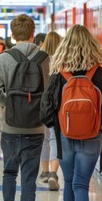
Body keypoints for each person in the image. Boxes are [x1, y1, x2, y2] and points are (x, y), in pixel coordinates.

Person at [40, 24, 102, 201]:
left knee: (70, 182)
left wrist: (56, 124)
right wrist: (100, 125)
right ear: (91, 45)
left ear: (65, 46)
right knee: (81, 185)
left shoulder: (58, 73)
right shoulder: (100, 73)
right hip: (92, 136)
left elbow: (46, 108)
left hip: (64, 136)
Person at [0, 14, 49, 201]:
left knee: (9, 172)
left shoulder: (4, 59)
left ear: (12, 35)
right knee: (29, 179)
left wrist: (10, 103)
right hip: (36, 128)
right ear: (33, 34)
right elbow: (50, 93)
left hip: (11, 128)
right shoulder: (46, 59)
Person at [38, 31, 62, 191]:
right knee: (55, 138)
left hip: (42, 102)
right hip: (59, 104)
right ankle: (54, 172)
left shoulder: (40, 59)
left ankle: (45, 172)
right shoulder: (63, 59)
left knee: (44, 138)